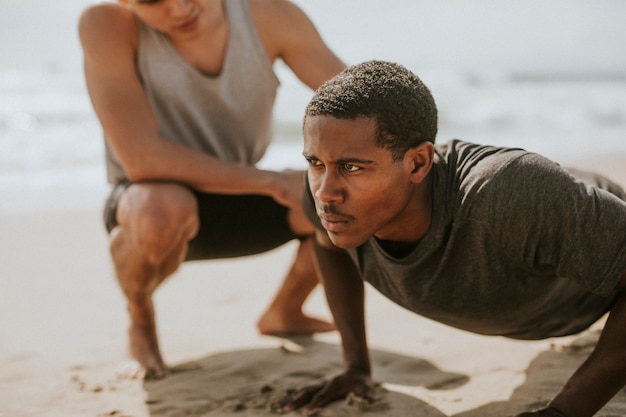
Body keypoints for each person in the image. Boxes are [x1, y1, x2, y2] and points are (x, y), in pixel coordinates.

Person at [283, 60, 626, 417]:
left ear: (417, 164)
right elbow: (327, 247)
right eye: (314, 162)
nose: (325, 191)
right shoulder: (329, 196)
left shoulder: (505, 194)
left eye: (352, 167)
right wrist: (356, 366)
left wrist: (565, 411)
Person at [78, 0, 346, 379]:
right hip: (150, 204)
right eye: (153, 0)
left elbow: (361, 101)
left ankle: (285, 311)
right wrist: (271, 180)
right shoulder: (107, 25)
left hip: (239, 190)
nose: (179, 8)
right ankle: (139, 320)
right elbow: (141, 159)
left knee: (346, 198)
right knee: (161, 206)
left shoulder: (269, 14)